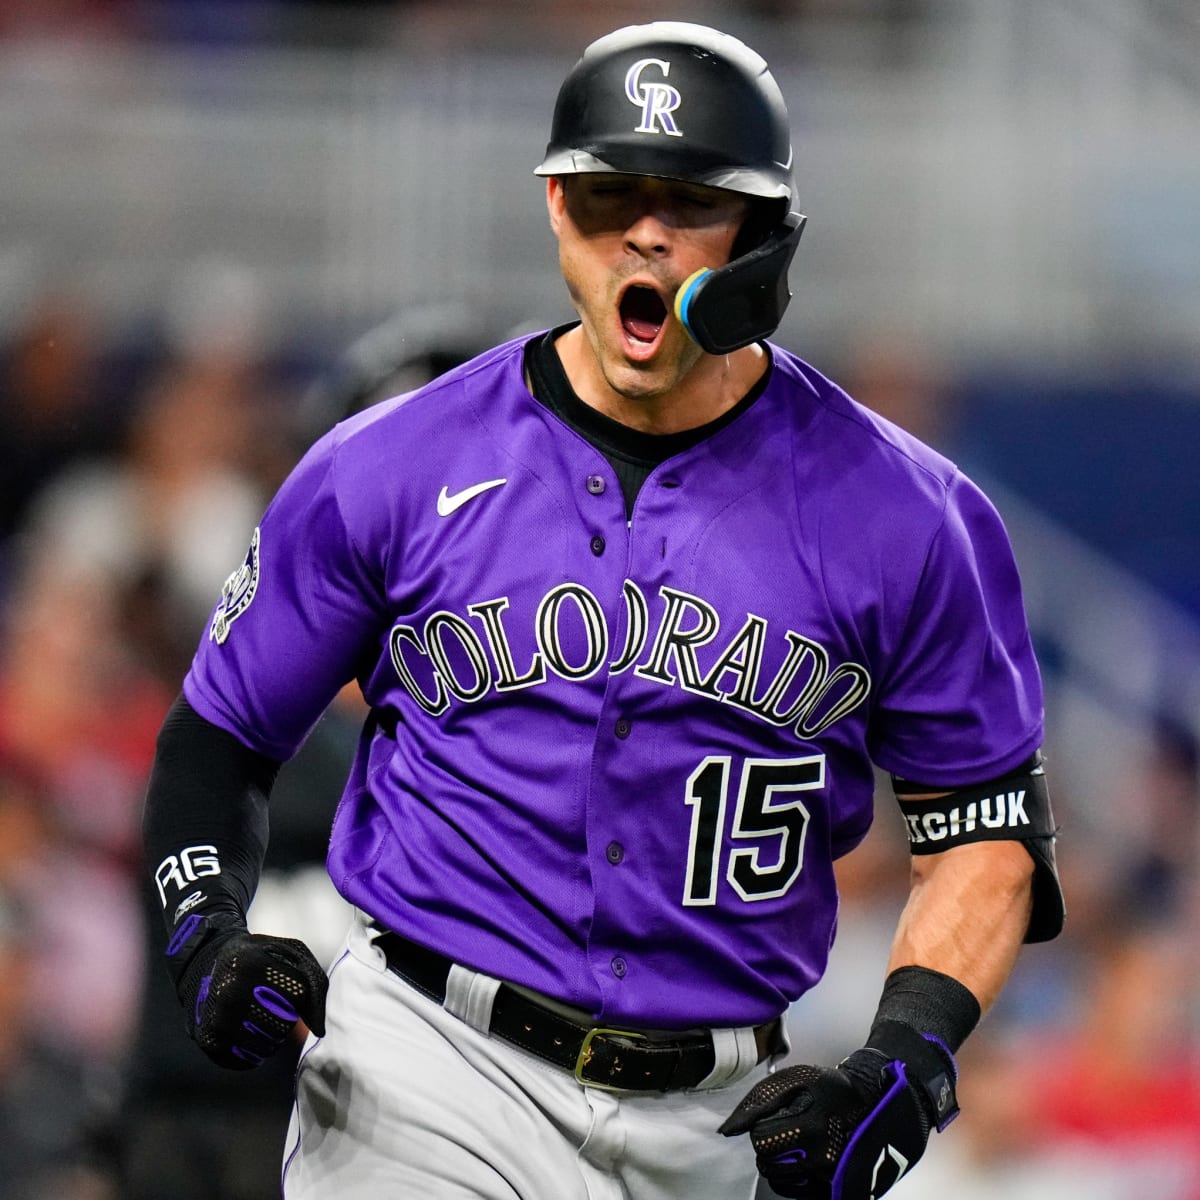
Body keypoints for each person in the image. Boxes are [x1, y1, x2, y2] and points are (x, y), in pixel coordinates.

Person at [141, 21, 1065, 1200]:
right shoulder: (393, 463)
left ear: (765, 234)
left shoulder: (907, 515)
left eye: (691, 200)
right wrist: (206, 926)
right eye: (609, 193)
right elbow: (220, 735)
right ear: (554, 205)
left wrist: (907, 1062)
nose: (645, 231)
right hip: (427, 1068)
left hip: (720, 1116)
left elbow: (983, 836)